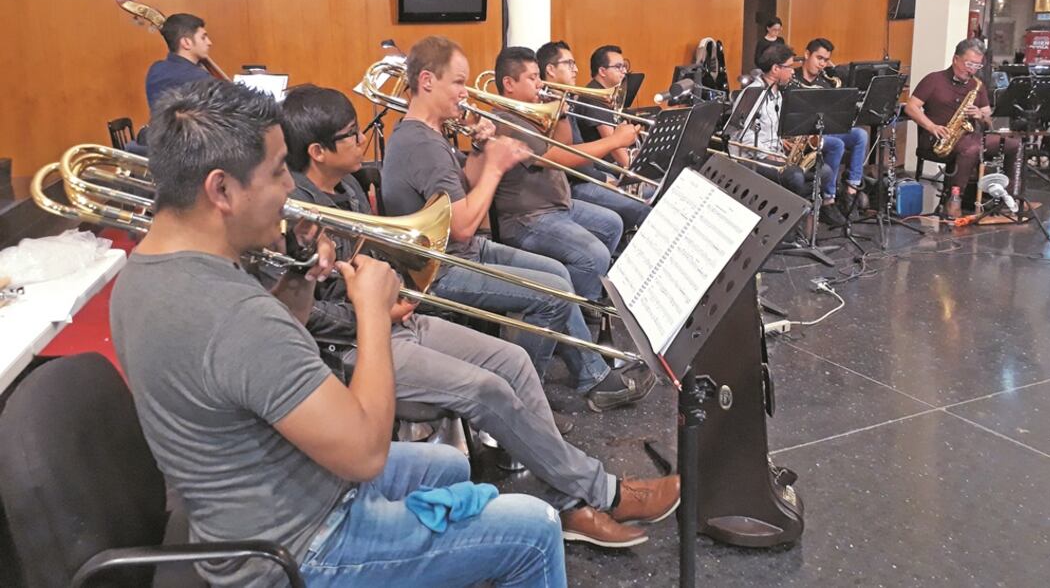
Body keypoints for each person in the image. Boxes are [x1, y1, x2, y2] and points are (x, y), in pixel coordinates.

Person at [110, 79, 566, 587]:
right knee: (535, 529)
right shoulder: (232, 314)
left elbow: (249, 374)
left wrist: (299, 284)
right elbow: (365, 454)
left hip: (255, 502)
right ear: (221, 190)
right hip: (298, 549)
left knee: (449, 467)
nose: (290, 188)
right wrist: (371, 311)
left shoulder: (141, 274)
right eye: (279, 171)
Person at [275, 84, 679, 548]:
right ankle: (603, 492)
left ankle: (571, 504)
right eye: (350, 135)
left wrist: (396, 289)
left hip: (395, 317)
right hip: (353, 346)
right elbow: (302, 316)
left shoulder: (346, 185)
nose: (362, 140)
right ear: (318, 151)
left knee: (514, 361)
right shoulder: (294, 215)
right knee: (486, 390)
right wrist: (371, 313)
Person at [379, 35, 655, 412]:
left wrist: (480, 152)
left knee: (558, 274)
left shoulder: (431, 133)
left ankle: (593, 378)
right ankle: (521, 405)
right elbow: (460, 226)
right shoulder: (421, 144)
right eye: (458, 82)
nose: (465, 92)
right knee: (553, 293)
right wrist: (495, 166)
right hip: (441, 269)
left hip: (464, 250)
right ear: (427, 81)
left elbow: (467, 188)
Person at [490, 46, 623, 303]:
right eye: (532, 78)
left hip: (557, 206)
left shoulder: (529, 113)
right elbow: (559, 158)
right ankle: (577, 310)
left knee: (612, 224)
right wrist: (615, 141)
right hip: (527, 219)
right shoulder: (506, 120)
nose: (540, 83)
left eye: (539, 75)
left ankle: (589, 295)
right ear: (509, 84)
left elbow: (564, 144)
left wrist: (559, 111)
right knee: (593, 255)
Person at [536, 40, 652, 232]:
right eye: (569, 63)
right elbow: (566, 157)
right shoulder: (546, 108)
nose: (575, 69)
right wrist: (606, 179)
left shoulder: (566, 101)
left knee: (651, 194)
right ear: (550, 69)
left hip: (588, 175)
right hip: (574, 184)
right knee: (641, 207)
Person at [905, 38, 1021, 218]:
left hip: (969, 137)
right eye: (969, 64)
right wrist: (931, 126)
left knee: (1014, 144)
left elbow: (990, 121)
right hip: (937, 138)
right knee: (971, 149)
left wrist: (980, 116)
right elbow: (910, 107)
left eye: (977, 66)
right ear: (955, 59)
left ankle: (1008, 196)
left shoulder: (977, 85)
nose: (972, 70)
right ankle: (954, 200)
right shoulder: (933, 79)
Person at [737, 43, 833, 199]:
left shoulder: (778, 94)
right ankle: (785, 205)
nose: (792, 72)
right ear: (776, 69)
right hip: (755, 159)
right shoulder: (753, 94)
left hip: (776, 154)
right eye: (789, 67)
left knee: (825, 172)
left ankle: (789, 204)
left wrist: (782, 142)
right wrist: (770, 155)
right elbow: (744, 137)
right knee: (795, 177)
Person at [793, 37, 869, 224]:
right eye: (819, 58)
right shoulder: (792, 79)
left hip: (826, 130)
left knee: (860, 134)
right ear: (806, 54)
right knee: (837, 144)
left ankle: (851, 191)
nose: (822, 64)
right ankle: (828, 199)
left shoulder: (826, 81)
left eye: (826, 60)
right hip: (804, 135)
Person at [144, 13, 216, 110]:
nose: (209, 42)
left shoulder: (156, 69)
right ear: (186, 43)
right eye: (203, 37)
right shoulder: (200, 79)